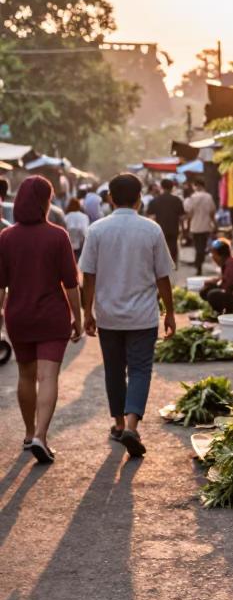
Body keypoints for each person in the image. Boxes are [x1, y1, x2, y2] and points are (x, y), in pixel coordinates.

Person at [79, 172, 176, 458]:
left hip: (109, 315)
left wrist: (88, 311)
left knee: (113, 369)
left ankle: (119, 425)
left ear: (109, 198)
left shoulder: (96, 230)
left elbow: (89, 276)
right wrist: (169, 311)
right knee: (140, 370)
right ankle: (132, 425)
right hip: (143, 316)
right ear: (139, 199)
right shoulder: (152, 230)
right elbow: (163, 277)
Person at [0, 174, 83, 463]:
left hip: (18, 315)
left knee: (25, 374)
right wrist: (78, 316)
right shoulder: (57, 235)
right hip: (52, 316)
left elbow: (0, 285)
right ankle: (41, 436)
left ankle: (28, 433)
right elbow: (70, 282)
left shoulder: (6, 237)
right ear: (46, 202)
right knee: (48, 376)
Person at [146, 177, 185, 264]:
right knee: (173, 246)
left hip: (159, 228)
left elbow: (150, 216)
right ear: (172, 187)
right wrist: (183, 229)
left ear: (161, 187)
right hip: (173, 228)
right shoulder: (177, 200)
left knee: (160, 246)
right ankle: (173, 262)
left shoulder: (155, 200)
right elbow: (182, 217)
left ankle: (161, 263)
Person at [184, 176, 216, 275]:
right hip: (206, 226)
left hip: (195, 227)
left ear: (196, 185)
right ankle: (199, 264)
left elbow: (189, 214)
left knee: (198, 247)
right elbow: (212, 212)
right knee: (202, 247)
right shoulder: (209, 197)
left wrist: (187, 227)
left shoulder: (192, 198)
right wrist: (214, 224)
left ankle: (198, 266)